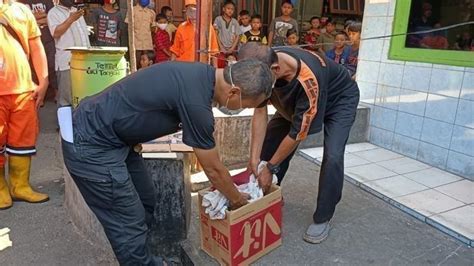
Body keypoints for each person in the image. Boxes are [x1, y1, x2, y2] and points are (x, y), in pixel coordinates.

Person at [61, 59, 274, 265]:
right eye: (246, 105)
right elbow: (214, 170)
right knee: (128, 223)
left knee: (146, 201)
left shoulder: (201, 74)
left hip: (115, 140)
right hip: (91, 145)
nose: (242, 109)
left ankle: (140, 255)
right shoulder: (197, 105)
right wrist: (237, 201)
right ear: (234, 92)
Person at [239, 42, 359, 244]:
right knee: (268, 148)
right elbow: (260, 112)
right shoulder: (262, 63)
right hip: (297, 103)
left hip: (338, 101)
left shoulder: (307, 80)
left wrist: (270, 167)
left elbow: (297, 134)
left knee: (333, 156)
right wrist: (254, 158)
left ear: (275, 70)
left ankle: (323, 217)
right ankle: (268, 196)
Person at [0, 0, 49, 209]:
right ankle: (1, 188)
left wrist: (44, 80)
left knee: (23, 140)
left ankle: (20, 186)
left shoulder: (21, 10)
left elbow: (36, 47)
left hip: (23, 89)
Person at [47, 0, 90, 107]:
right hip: (66, 63)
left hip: (84, 62)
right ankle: (65, 123)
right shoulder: (53, 13)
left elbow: (83, 33)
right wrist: (70, 19)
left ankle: (78, 122)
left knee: (82, 97)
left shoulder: (76, 11)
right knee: (66, 101)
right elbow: (55, 33)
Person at [19, 0, 57, 102]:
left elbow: (51, 18)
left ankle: (57, 95)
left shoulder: (46, 1)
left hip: (47, 40)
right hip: (28, 41)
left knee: (52, 65)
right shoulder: (19, 3)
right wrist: (39, 18)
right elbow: (20, 22)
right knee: (32, 69)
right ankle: (38, 98)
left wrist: (32, 19)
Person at [125, 0, 155, 67]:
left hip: (147, 42)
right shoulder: (132, 10)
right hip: (136, 41)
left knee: (147, 61)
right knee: (136, 61)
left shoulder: (151, 12)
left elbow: (153, 27)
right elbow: (128, 25)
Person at [214, 0, 240, 68]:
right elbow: (215, 34)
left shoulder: (235, 22)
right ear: (223, 9)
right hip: (220, 48)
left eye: (232, 9)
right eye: (228, 8)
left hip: (232, 49)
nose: (230, 11)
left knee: (233, 65)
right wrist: (221, 47)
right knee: (220, 64)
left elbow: (237, 36)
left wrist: (232, 48)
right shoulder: (218, 19)